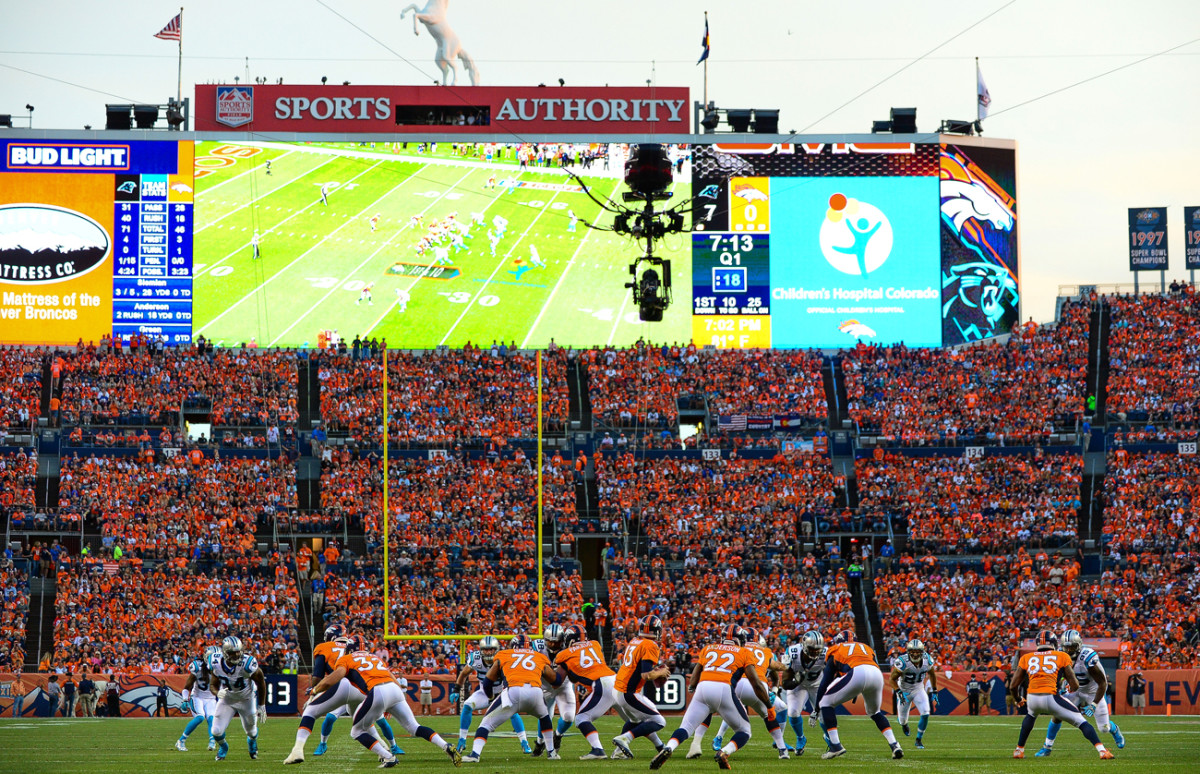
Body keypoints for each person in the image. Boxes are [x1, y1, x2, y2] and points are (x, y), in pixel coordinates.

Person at [312, 635, 459, 768]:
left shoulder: (346, 658)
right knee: (414, 727)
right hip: (395, 690)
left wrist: (315, 690)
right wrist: (397, 698)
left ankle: (388, 756)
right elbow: (391, 676)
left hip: (378, 691)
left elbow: (333, 678)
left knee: (356, 731)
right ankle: (446, 745)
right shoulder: (376, 657)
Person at [649, 624, 774, 770]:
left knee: (686, 727)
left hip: (703, 687)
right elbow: (756, 684)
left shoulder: (709, 648)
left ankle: (669, 747)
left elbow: (697, 671)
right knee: (744, 731)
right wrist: (769, 706)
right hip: (723, 688)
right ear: (740, 639)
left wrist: (692, 686)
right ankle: (724, 752)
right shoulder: (744, 652)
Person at [284, 625, 401, 764]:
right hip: (364, 688)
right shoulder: (356, 646)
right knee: (362, 722)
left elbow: (318, 676)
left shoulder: (324, 647)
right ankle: (384, 748)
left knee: (310, 711)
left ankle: (297, 750)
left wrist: (313, 690)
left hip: (343, 683)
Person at [1009, 630, 1112, 759]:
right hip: (1051, 697)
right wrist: (1067, 689)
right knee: (1082, 722)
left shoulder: (1026, 657)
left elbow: (1013, 686)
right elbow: (1074, 684)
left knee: (1030, 716)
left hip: (1032, 698)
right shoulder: (1062, 656)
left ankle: (1019, 750)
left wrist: (1018, 699)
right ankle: (1102, 751)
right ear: (1054, 643)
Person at [462, 633, 561, 763]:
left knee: (485, 724)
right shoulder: (539, 656)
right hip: (535, 692)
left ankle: (475, 754)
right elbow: (555, 680)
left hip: (513, 692)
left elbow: (487, 682)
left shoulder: (504, 654)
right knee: (544, 717)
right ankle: (551, 752)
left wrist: (490, 696)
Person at [701, 626, 790, 759]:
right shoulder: (765, 651)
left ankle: (715, 738)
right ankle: (782, 750)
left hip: (736, 685)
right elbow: (777, 667)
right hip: (758, 687)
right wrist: (787, 666)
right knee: (768, 717)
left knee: (728, 712)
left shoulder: (738, 649)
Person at [814, 630, 903, 760]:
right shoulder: (866, 647)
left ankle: (835, 746)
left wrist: (816, 708)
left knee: (825, 702)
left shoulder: (835, 649)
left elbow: (825, 682)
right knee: (875, 712)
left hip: (857, 672)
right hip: (876, 673)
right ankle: (895, 745)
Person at [1035, 630, 1125, 756]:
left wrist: (1093, 704)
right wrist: (1062, 685)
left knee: (1103, 728)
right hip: (1075, 689)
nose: (1068, 650)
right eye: (1066, 647)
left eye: (1071, 647)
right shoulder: (1060, 655)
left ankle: (1114, 729)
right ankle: (1047, 747)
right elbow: (1061, 675)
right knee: (1057, 713)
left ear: (1078, 646)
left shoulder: (1087, 657)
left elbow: (1102, 683)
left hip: (1093, 691)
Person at [454, 635, 531, 753]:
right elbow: (464, 673)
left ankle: (524, 742)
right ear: (481, 650)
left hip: (501, 693)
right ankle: (462, 740)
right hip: (484, 694)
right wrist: (456, 689)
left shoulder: (504, 658)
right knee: (467, 705)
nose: (488, 652)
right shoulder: (476, 658)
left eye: (491, 649)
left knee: (513, 712)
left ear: (496, 649)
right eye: (486, 649)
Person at [610, 615, 672, 759]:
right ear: (656, 630)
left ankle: (619, 752)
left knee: (635, 721)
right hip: (628, 692)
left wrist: (655, 672)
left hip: (618, 689)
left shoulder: (635, 640)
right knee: (659, 721)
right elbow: (646, 675)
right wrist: (660, 672)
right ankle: (625, 738)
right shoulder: (650, 644)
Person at [552, 624, 617, 760]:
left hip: (602, 683)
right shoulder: (595, 644)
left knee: (581, 718)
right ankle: (659, 745)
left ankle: (598, 750)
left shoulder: (564, 654)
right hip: (616, 679)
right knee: (634, 718)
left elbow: (558, 682)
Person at [207, 636, 267, 761]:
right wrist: (217, 693)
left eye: (238, 651)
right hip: (227, 700)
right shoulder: (215, 662)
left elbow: (261, 682)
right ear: (225, 653)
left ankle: (252, 742)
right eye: (233, 653)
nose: (237, 655)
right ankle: (223, 747)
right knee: (216, 731)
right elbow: (212, 684)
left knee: (251, 731)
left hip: (246, 699)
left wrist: (261, 705)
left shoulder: (247, 663)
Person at [780, 630, 827, 755]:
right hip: (799, 686)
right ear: (804, 646)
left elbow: (832, 674)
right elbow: (784, 683)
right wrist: (796, 681)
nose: (816, 652)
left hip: (817, 686)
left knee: (824, 715)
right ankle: (800, 737)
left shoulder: (826, 654)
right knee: (793, 712)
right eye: (812, 649)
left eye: (818, 649)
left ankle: (831, 739)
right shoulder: (792, 652)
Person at [890, 638, 938, 749]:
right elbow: (892, 679)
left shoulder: (927, 660)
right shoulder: (902, 662)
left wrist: (935, 689)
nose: (915, 654)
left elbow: (932, 674)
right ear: (908, 652)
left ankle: (918, 739)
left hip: (918, 688)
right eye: (913, 651)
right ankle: (904, 724)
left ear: (922, 652)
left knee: (926, 712)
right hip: (904, 690)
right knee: (902, 720)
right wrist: (899, 692)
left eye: (917, 651)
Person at [177, 646, 218, 752]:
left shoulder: (221, 669)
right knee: (200, 718)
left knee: (211, 719)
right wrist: (185, 700)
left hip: (211, 698)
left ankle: (212, 741)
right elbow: (186, 687)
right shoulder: (197, 667)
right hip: (197, 697)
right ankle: (181, 741)